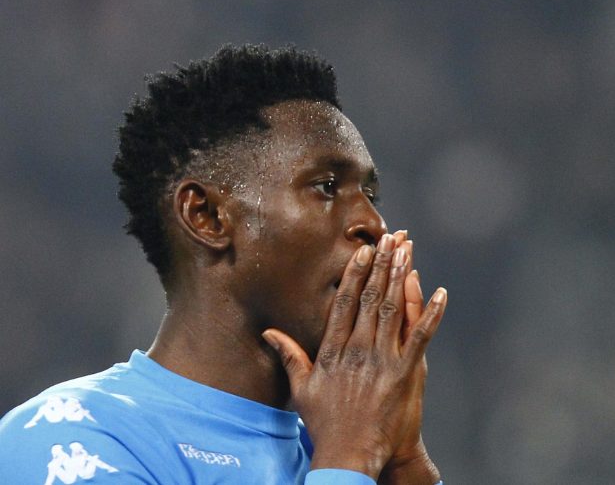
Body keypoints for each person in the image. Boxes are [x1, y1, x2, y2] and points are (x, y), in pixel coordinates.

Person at [0, 44, 448, 484]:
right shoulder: (70, 437)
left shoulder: (343, 451)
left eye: (370, 195)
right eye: (327, 186)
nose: (374, 224)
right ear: (207, 216)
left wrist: (402, 463)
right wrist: (348, 459)